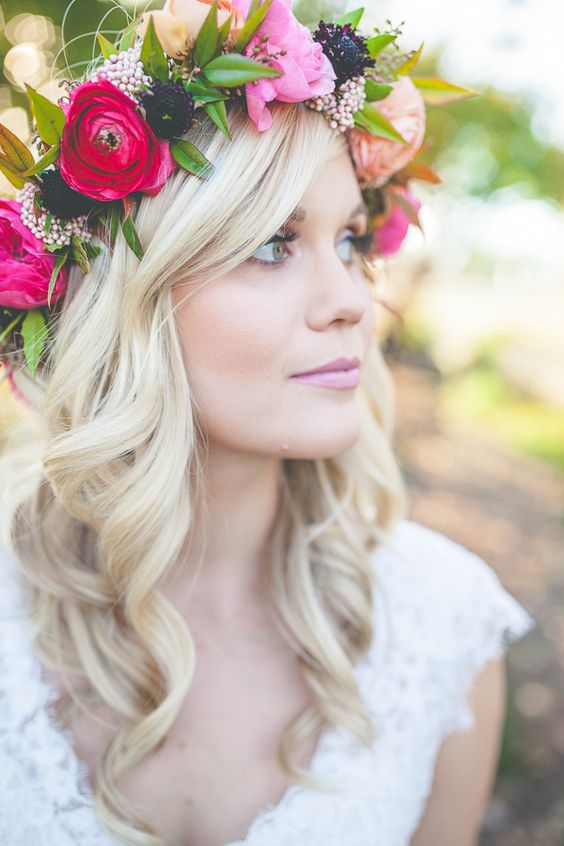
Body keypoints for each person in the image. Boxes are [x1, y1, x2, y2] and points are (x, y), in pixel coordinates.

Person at [0, 2, 534, 845]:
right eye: (273, 245)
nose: (352, 302)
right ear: (128, 300)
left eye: (352, 242)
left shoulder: (440, 625)